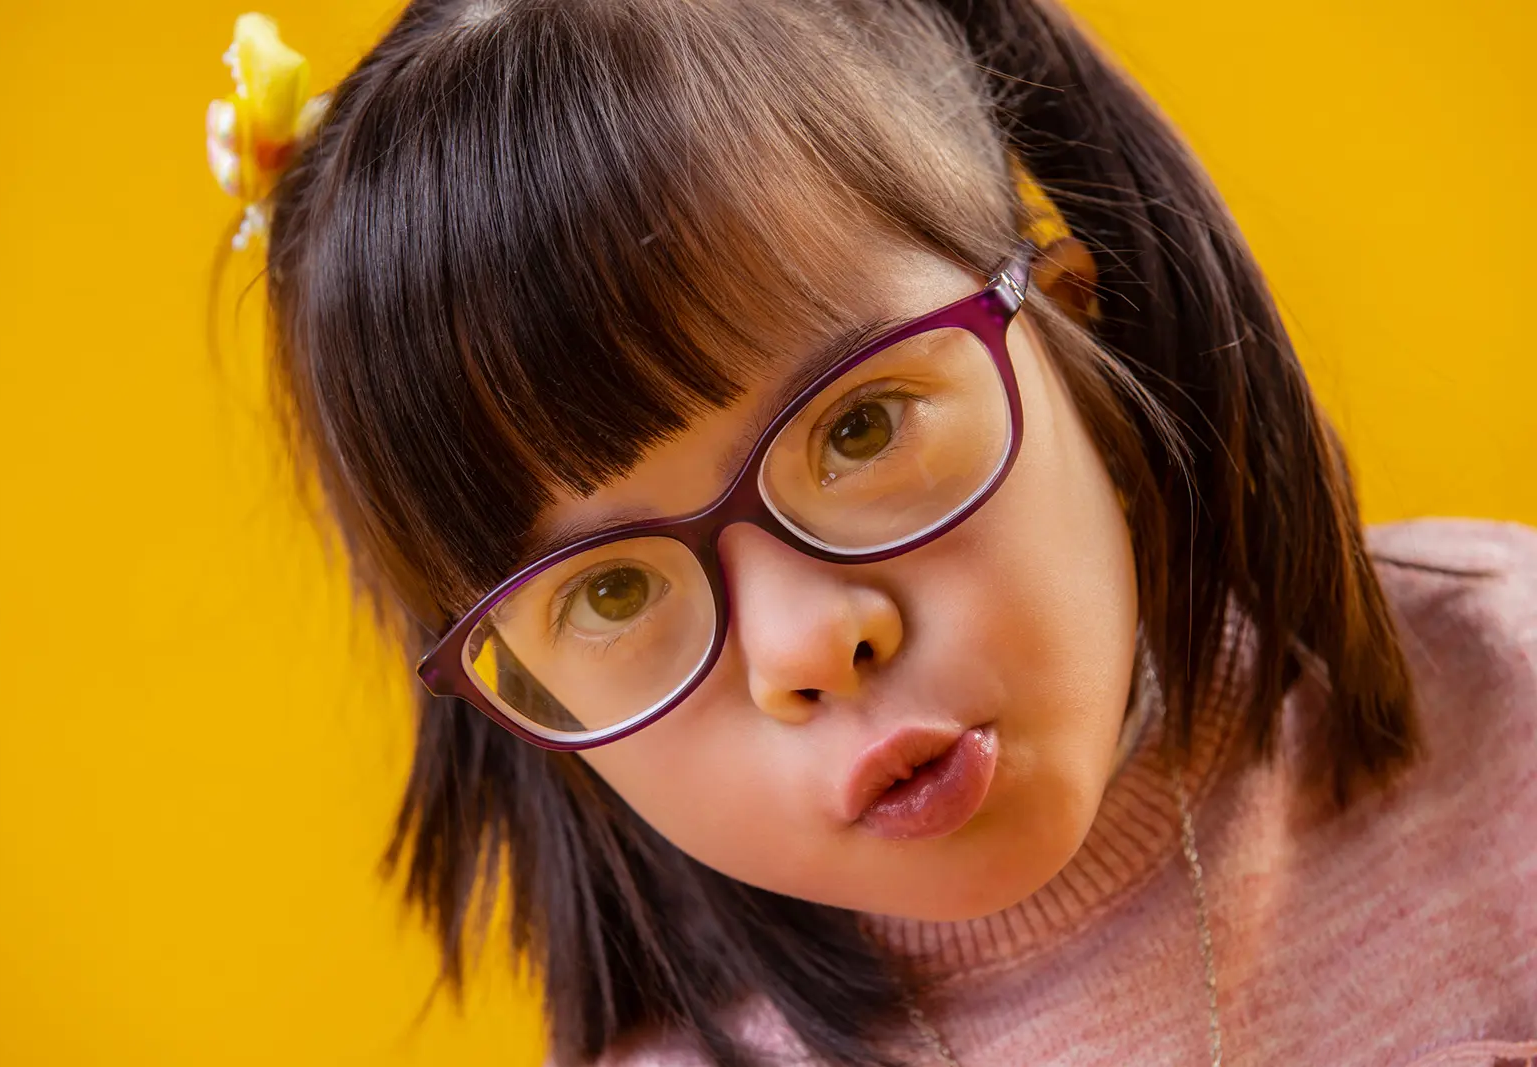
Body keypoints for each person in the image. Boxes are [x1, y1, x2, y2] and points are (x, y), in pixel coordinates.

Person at [206, 2, 1537, 1064]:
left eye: (859, 430)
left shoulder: (1511, 692)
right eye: (611, 589)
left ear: (1066, 327)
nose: (811, 641)